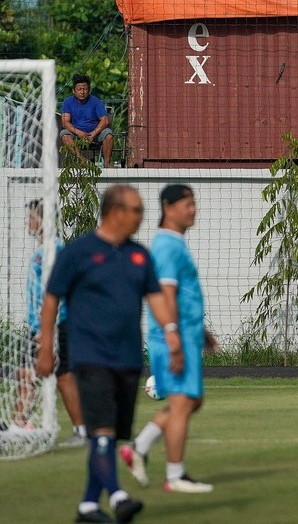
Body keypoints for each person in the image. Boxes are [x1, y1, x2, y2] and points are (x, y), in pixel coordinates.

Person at [36, 184, 183, 524]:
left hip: (128, 358)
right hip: (90, 357)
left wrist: (172, 332)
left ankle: (88, 506)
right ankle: (117, 496)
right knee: (101, 430)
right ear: (115, 212)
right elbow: (51, 299)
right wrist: (47, 347)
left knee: (110, 436)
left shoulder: (139, 255)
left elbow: (156, 297)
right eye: (136, 210)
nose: (141, 216)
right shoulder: (79, 253)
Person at [120, 185, 218, 493]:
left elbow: (182, 295)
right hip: (172, 338)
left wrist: (200, 331)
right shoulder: (166, 247)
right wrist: (173, 336)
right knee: (181, 403)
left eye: (194, 203)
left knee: (192, 401)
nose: (193, 209)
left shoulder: (174, 244)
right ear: (168, 207)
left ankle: (139, 447)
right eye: (187, 204)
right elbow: (164, 295)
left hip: (184, 335)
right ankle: (175, 477)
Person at [14, 199, 87, 445]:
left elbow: (56, 292)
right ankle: (22, 422)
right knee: (49, 374)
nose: (28, 222)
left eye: (32, 217)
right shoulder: (43, 251)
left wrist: (48, 330)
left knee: (42, 374)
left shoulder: (51, 251)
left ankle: (21, 423)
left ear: (43, 221)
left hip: (53, 325)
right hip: (45, 325)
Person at [60, 73, 114, 167]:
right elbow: (65, 122)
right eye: (79, 89)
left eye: (85, 89)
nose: (82, 92)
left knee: (108, 134)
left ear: (88, 90)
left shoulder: (96, 101)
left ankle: (107, 163)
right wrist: (78, 132)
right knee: (64, 135)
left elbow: (105, 120)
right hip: (76, 134)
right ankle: (81, 160)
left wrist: (93, 134)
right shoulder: (67, 102)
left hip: (95, 134)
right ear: (74, 90)